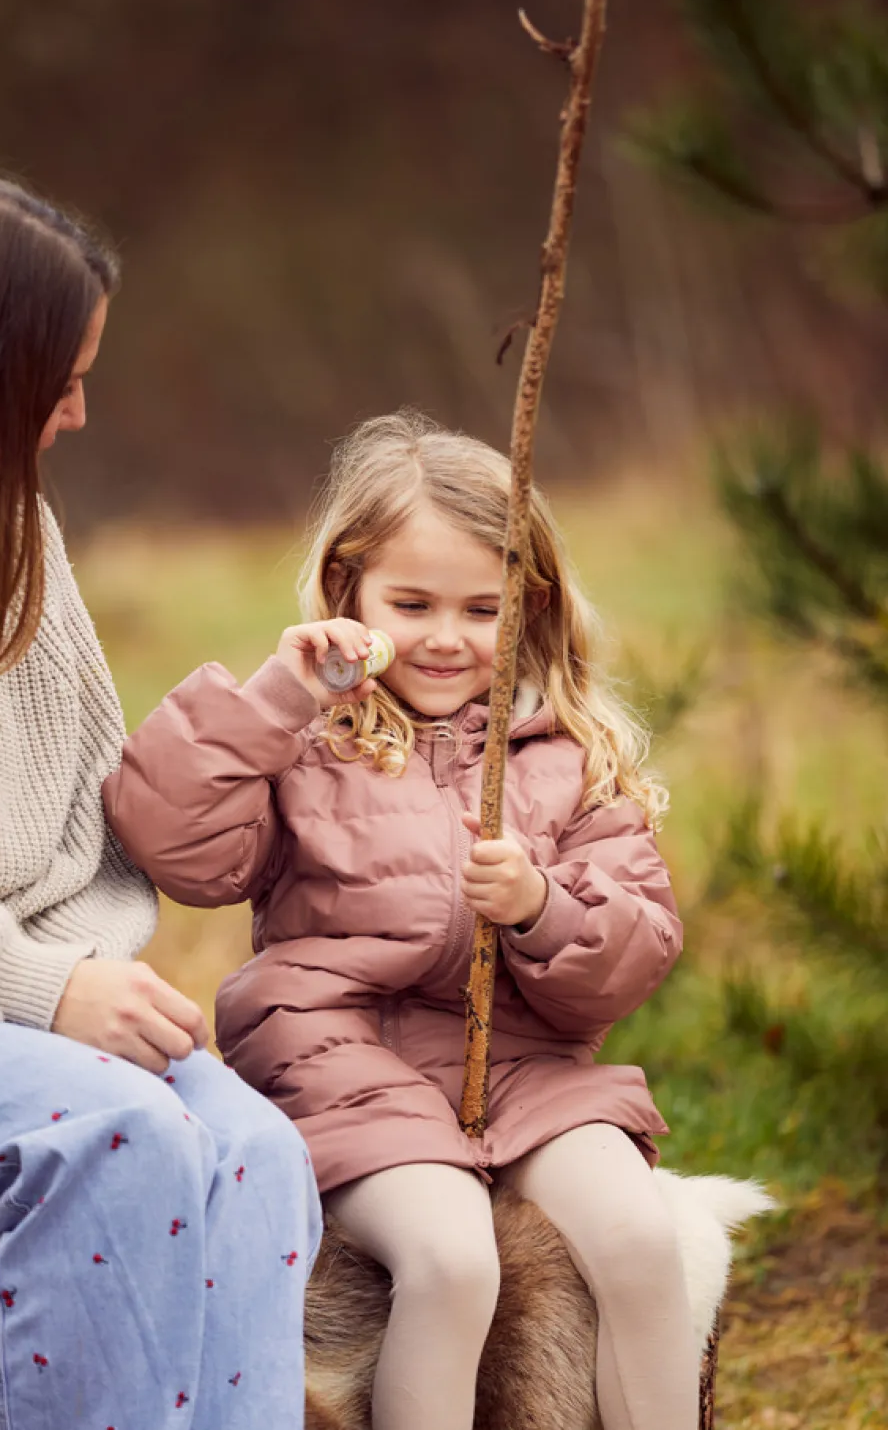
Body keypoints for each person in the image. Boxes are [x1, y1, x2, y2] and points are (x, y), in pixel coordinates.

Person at [104, 410, 701, 1430]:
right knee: (450, 1255)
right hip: (342, 1060)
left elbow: (635, 946)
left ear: (532, 605)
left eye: (481, 607)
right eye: (412, 601)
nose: (444, 635)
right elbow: (174, 841)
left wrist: (541, 909)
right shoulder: (305, 737)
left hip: (526, 1067)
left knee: (643, 1244)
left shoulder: (569, 753)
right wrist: (277, 695)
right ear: (349, 592)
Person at [0, 172, 320, 1430]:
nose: (78, 414)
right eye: (58, 381)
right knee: (116, 1137)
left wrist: (67, 977)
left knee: (255, 1152)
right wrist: (32, 988)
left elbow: (82, 835)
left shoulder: (16, 532)